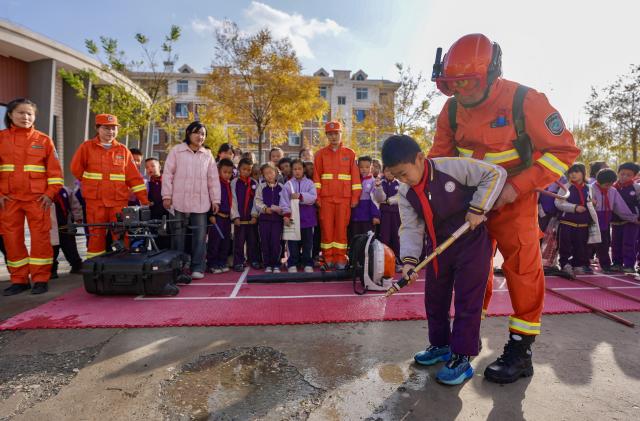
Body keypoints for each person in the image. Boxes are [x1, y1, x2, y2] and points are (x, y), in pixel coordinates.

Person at [429, 33, 580, 383]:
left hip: (514, 200)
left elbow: (564, 153)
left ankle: (520, 349)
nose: (461, 93)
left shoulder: (526, 101)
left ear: (492, 74)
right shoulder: (451, 109)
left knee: (523, 271)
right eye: (453, 84)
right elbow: (439, 160)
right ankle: (465, 341)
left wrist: (515, 188)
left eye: (467, 83)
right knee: (471, 271)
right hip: (470, 204)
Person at [383, 134, 507, 385]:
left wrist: (477, 208)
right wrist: (408, 261)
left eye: (405, 173)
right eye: (396, 176)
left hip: (470, 242)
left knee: (467, 300)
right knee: (435, 297)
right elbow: (410, 228)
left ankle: (462, 356)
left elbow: (495, 174)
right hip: (438, 248)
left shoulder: (452, 167)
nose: (403, 180)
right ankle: (440, 345)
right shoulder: (405, 193)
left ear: (420, 158)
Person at [0, 98, 64, 295]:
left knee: (41, 239)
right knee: (12, 240)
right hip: (9, 199)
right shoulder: (1, 138)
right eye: (21, 113)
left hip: (38, 199)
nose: (26, 117)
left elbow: (55, 173)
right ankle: (19, 280)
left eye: (30, 114)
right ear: (10, 114)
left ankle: (40, 278)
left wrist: (50, 194)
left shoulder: (43, 140)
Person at [71, 114, 150, 262]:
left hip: (118, 202)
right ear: (97, 129)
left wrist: (144, 200)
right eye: (106, 128)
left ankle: (124, 267)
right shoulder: (86, 147)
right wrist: (90, 184)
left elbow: (134, 178)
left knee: (122, 234)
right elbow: (76, 169)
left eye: (113, 128)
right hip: (95, 202)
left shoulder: (123, 150)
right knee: (96, 236)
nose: (110, 132)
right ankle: (95, 267)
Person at [161, 121, 220, 279]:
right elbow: (168, 174)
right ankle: (177, 267)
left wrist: (216, 200)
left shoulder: (208, 154)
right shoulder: (177, 151)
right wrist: (166, 195)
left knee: (200, 236)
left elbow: (213, 179)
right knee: (177, 235)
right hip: (178, 200)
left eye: (203, 134)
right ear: (188, 133)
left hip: (201, 202)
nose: (200, 136)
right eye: (196, 132)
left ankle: (198, 267)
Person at [313, 121, 362, 270]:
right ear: (327, 135)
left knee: (341, 230)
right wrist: (318, 197)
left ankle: (340, 258)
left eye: (336, 133)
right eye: (330, 134)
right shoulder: (320, 154)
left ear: (341, 134)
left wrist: (355, 198)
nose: (333, 136)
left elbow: (355, 178)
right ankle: (327, 258)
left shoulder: (350, 153)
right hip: (326, 199)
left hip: (344, 199)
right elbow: (317, 177)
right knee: (327, 230)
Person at [592, 168, 638, 272]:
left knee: (605, 243)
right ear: (599, 181)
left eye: (610, 184)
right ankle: (581, 263)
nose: (608, 187)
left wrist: (633, 218)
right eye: (606, 184)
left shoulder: (612, 190)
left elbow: (620, 207)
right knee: (587, 243)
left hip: (605, 220)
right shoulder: (591, 189)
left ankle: (606, 265)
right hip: (592, 220)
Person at [554, 164, 591, 278]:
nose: (573, 174)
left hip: (583, 223)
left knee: (580, 245)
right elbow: (558, 203)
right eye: (571, 172)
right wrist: (574, 207)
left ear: (583, 173)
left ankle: (578, 265)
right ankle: (565, 264)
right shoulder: (565, 187)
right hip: (567, 222)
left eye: (576, 172)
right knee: (565, 245)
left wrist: (593, 203)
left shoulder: (589, 188)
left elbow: (590, 204)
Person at [281, 159, 318, 273]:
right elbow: (284, 201)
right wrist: (286, 215)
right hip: (292, 219)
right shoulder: (288, 184)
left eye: (299, 169)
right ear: (291, 171)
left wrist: (300, 196)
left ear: (303, 170)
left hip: (308, 219)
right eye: (295, 169)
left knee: (308, 243)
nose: (297, 171)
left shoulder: (310, 183)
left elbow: (313, 197)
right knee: (292, 243)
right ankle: (292, 263)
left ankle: (307, 263)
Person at [253, 163, 284, 273]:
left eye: (271, 173)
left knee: (275, 242)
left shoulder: (281, 187)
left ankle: (276, 264)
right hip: (264, 221)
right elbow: (257, 201)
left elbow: (285, 202)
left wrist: (282, 210)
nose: (269, 175)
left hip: (277, 221)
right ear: (263, 176)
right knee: (265, 242)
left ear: (276, 173)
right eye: (266, 174)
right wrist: (265, 209)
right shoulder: (261, 187)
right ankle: (267, 264)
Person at [611, 162, 640, 273]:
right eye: (622, 174)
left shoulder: (636, 188)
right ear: (618, 173)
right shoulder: (613, 187)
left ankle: (629, 264)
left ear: (634, 176)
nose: (625, 177)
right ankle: (617, 263)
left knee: (629, 243)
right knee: (615, 243)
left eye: (628, 175)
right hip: (616, 220)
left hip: (632, 221)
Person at [231, 158, 259, 271]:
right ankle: (238, 261)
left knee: (252, 241)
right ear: (239, 169)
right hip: (240, 219)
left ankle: (253, 260)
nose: (246, 172)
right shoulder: (234, 182)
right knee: (239, 241)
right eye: (244, 169)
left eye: (249, 170)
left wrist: (254, 215)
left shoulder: (254, 183)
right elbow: (233, 200)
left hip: (251, 219)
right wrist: (235, 216)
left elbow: (256, 200)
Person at [207, 159, 234, 273]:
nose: (227, 174)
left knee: (225, 241)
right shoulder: (215, 184)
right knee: (215, 241)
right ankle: (212, 264)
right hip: (217, 217)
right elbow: (209, 198)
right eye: (225, 172)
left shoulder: (230, 184)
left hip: (227, 218)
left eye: (230, 172)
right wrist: (211, 214)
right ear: (218, 171)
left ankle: (222, 262)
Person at [373, 166, 402, 272]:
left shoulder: (400, 183)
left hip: (396, 215)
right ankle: (384, 261)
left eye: (391, 171)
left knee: (396, 238)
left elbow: (401, 197)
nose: (389, 173)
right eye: (387, 171)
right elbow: (380, 198)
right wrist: (379, 188)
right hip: (384, 214)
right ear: (383, 172)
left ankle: (397, 261)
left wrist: (390, 200)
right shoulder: (381, 183)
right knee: (384, 238)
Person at [51, 186, 83, 278]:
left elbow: (75, 205)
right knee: (51, 250)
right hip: (50, 228)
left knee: (70, 247)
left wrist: (78, 217)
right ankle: (51, 270)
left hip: (66, 224)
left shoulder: (66, 190)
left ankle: (76, 266)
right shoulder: (42, 190)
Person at [349, 156, 381, 239]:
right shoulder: (353, 180)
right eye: (361, 167)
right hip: (355, 216)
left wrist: (375, 215)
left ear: (371, 167)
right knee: (355, 239)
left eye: (367, 167)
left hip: (368, 218)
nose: (364, 169)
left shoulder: (373, 181)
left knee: (367, 240)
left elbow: (375, 200)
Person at [144, 157, 170, 250]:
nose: (149, 169)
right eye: (147, 167)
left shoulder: (168, 180)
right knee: (155, 240)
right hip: (153, 216)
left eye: (152, 166)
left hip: (167, 215)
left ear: (159, 167)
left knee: (167, 239)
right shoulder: (146, 183)